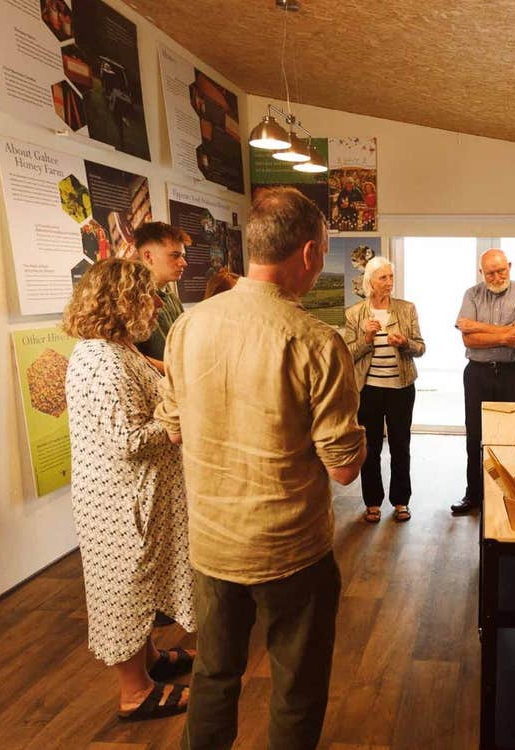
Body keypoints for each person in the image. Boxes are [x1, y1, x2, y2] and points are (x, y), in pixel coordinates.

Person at [158, 187, 366, 750]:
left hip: (213, 544)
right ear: (308, 254)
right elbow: (344, 469)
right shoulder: (318, 342)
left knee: (214, 676)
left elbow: (174, 427)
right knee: (297, 688)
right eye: (323, 250)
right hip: (290, 549)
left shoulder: (187, 328)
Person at [61, 258, 197, 722]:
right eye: (147, 297)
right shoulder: (101, 359)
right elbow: (128, 439)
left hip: (132, 498)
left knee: (139, 586)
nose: (156, 304)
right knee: (122, 591)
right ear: (121, 302)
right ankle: (134, 692)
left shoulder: (119, 348)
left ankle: (151, 660)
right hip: (118, 503)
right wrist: (174, 427)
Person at [451, 248, 515, 516]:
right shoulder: (471, 294)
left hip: (513, 372)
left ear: (509, 265)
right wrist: (503, 335)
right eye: (491, 272)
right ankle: (474, 495)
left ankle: (511, 495)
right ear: (482, 272)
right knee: (475, 436)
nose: (497, 276)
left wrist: (479, 327)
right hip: (477, 374)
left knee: (512, 436)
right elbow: (467, 338)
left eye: (501, 270)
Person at [342, 257, 425, 523]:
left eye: (391, 277)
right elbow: (348, 355)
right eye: (383, 278)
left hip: (401, 389)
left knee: (401, 445)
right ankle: (372, 503)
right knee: (371, 447)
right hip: (369, 391)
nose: (390, 283)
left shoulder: (407, 309)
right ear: (370, 282)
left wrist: (404, 343)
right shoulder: (355, 313)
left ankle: (401, 501)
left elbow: (420, 348)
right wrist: (366, 340)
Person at [133, 222, 191, 374]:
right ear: (148, 256)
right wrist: (180, 371)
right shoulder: (132, 300)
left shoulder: (171, 296)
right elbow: (129, 356)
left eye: (182, 255)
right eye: (175, 255)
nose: (183, 263)